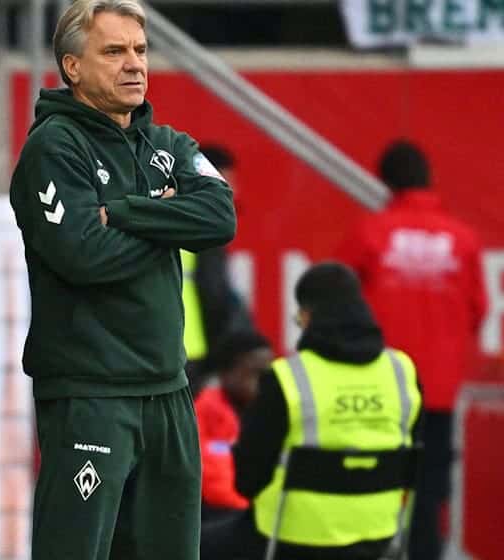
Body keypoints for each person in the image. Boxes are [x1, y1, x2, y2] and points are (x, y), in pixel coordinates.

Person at [7, 1, 235, 558]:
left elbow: (219, 216)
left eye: (140, 50)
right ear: (73, 67)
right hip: (91, 392)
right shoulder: (53, 148)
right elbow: (84, 251)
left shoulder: (169, 145)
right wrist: (167, 217)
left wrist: (127, 211)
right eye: (113, 51)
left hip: (169, 392)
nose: (134, 64)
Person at [201, 262, 422, 560]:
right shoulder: (402, 372)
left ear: (307, 316)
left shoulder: (287, 378)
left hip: (288, 540)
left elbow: (247, 481)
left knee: (191, 544)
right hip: (378, 539)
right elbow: (410, 460)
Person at [337, 139, 486, 560]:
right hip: (437, 389)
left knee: (368, 484)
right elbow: (479, 310)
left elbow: (336, 303)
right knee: (429, 488)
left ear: (385, 182)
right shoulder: (463, 239)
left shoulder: (370, 233)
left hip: (378, 387)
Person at [182, 144, 255, 396]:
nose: (235, 191)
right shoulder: (205, 225)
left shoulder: (166, 214)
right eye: (228, 181)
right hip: (192, 351)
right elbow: (214, 292)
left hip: (159, 345)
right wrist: (220, 353)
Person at [194, 329, 272, 523]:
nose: (263, 383)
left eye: (268, 374)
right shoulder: (206, 410)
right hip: (219, 515)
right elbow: (214, 482)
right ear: (227, 370)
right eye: (256, 373)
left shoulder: (268, 410)